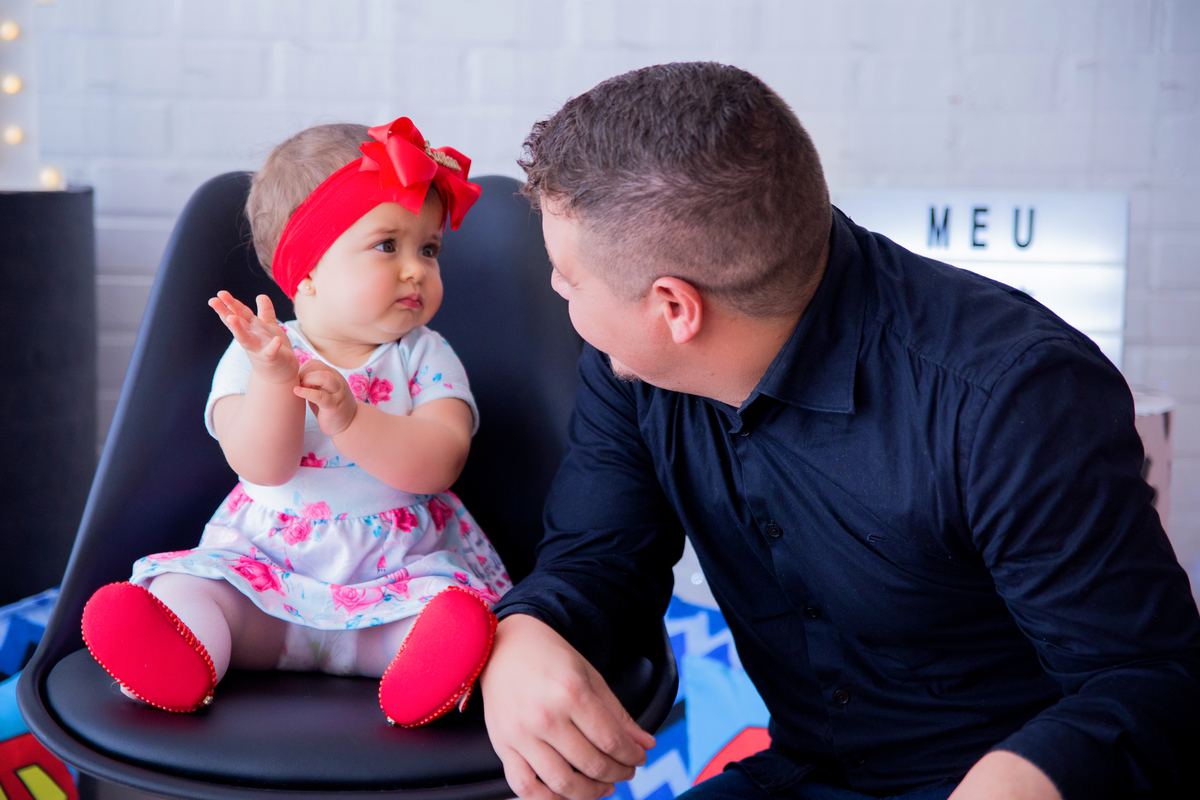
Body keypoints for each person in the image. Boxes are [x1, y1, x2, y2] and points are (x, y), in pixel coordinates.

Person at [479, 63, 1200, 800]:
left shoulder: (1014, 396)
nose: (559, 292)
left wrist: (1023, 780)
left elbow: (1151, 681)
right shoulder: (633, 364)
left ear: (674, 308)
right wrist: (526, 631)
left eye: (567, 279)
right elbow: (600, 560)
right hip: (804, 772)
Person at [80, 117, 512, 728]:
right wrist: (276, 381)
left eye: (430, 249)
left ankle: (417, 665)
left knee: (450, 608)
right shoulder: (259, 352)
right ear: (305, 270)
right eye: (388, 245)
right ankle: (187, 654)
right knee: (192, 590)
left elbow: (437, 464)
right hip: (266, 575)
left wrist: (350, 417)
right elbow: (262, 465)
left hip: (392, 576)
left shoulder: (426, 355)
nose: (416, 268)